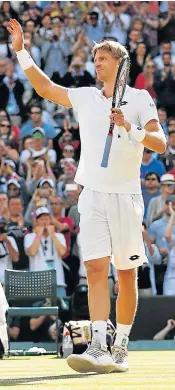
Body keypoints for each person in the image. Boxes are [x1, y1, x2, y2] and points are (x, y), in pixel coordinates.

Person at [8, 20, 166, 374]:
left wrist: (130, 127)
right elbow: (45, 87)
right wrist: (20, 50)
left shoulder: (140, 100)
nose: (97, 65)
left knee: (125, 275)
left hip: (126, 196)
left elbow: (161, 144)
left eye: (103, 60)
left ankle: (121, 347)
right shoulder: (84, 96)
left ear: (120, 62)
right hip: (92, 194)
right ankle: (97, 346)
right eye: (95, 61)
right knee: (95, 268)